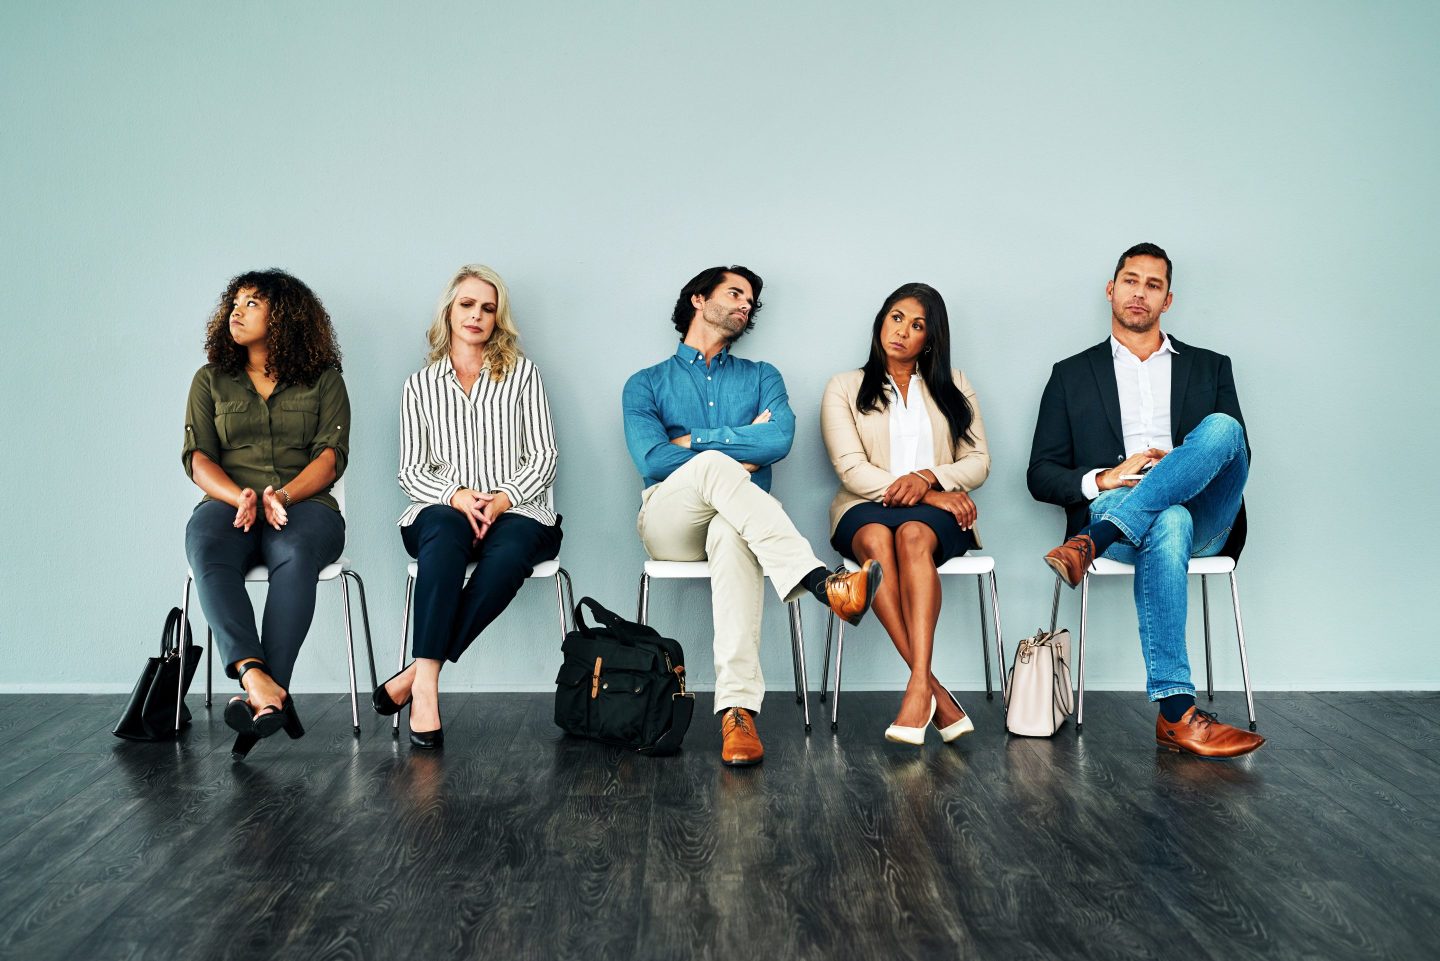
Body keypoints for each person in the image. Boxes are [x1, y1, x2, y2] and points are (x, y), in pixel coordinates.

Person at [622, 265, 882, 767]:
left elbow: (779, 440)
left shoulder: (764, 377)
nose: (745, 305)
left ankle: (737, 713)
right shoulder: (646, 383)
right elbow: (652, 459)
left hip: (739, 527)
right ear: (698, 299)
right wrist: (736, 448)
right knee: (719, 470)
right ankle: (824, 584)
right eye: (734, 293)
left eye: (751, 300)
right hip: (668, 520)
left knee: (733, 531)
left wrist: (691, 441)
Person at [1028, 243, 1264, 758]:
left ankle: (1094, 540)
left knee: (1224, 430)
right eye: (1131, 281)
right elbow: (1041, 475)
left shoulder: (1211, 367)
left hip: (1207, 515)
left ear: (1168, 300)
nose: (1140, 292)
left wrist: (1177, 463)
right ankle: (1177, 713)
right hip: (1121, 504)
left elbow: (1230, 453)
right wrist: (1109, 476)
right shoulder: (1070, 374)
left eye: (1153, 285)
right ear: (1112, 290)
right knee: (1169, 519)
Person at [374, 264, 562, 749]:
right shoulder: (419, 386)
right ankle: (429, 691)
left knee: (510, 551)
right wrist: (457, 496)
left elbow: (544, 457)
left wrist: (500, 501)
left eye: (487, 307)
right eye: (467, 304)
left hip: (519, 510)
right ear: (449, 311)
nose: (476, 315)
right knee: (443, 531)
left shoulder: (523, 375)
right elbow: (410, 470)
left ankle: (419, 675)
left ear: (498, 319)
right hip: (441, 511)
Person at [182, 270, 349, 759]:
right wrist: (239, 497)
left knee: (295, 551)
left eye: (252, 303)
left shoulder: (324, 381)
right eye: (234, 302)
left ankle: (262, 693)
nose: (236, 311)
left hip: (306, 507)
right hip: (227, 506)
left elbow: (331, 455)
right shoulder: (210, 379)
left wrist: (286, 497)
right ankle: (260, 684)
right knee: (207, 548)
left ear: (286, 317)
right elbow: (197, 458)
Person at [820, 283, 990, 745]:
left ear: (930, 339)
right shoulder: (844, 386)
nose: (902, 331)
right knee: (876, 539)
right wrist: (929, 492)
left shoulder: (955, 384)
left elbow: (977, 463)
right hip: (862, 508)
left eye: (917, 325)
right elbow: (851, 470)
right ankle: (929, 686)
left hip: (934, 518)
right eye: (896, 317)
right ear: (881, 321)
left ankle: (919, 688)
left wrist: (929, 478)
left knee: (913, 534)